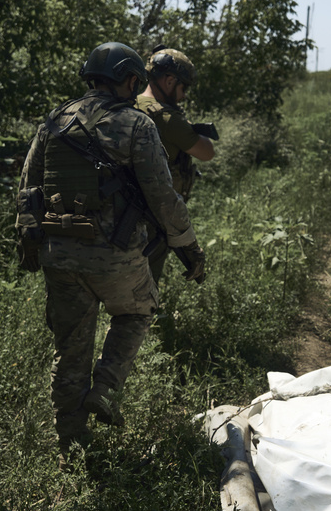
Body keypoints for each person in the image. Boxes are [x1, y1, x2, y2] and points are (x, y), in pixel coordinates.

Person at [15, 42, 207, 468]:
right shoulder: (136, 125)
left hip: (58, 253)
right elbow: (163, 196)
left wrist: (29, 243)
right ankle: (105, 389)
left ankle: (71, 445)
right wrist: (189, 249)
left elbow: (28, 188)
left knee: (70, 349)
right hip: (115, 256)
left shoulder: (54, 121)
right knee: (137, 312)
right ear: (130, 80)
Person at [135, 47, 217, 282]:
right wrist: (186, 123)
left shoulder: (129, 104)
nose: (184, 96)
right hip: (153, 218)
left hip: (120, 214)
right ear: (169, 81)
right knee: (143, 294)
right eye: (183, 88)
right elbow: (207, 152)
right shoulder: (166, 118)